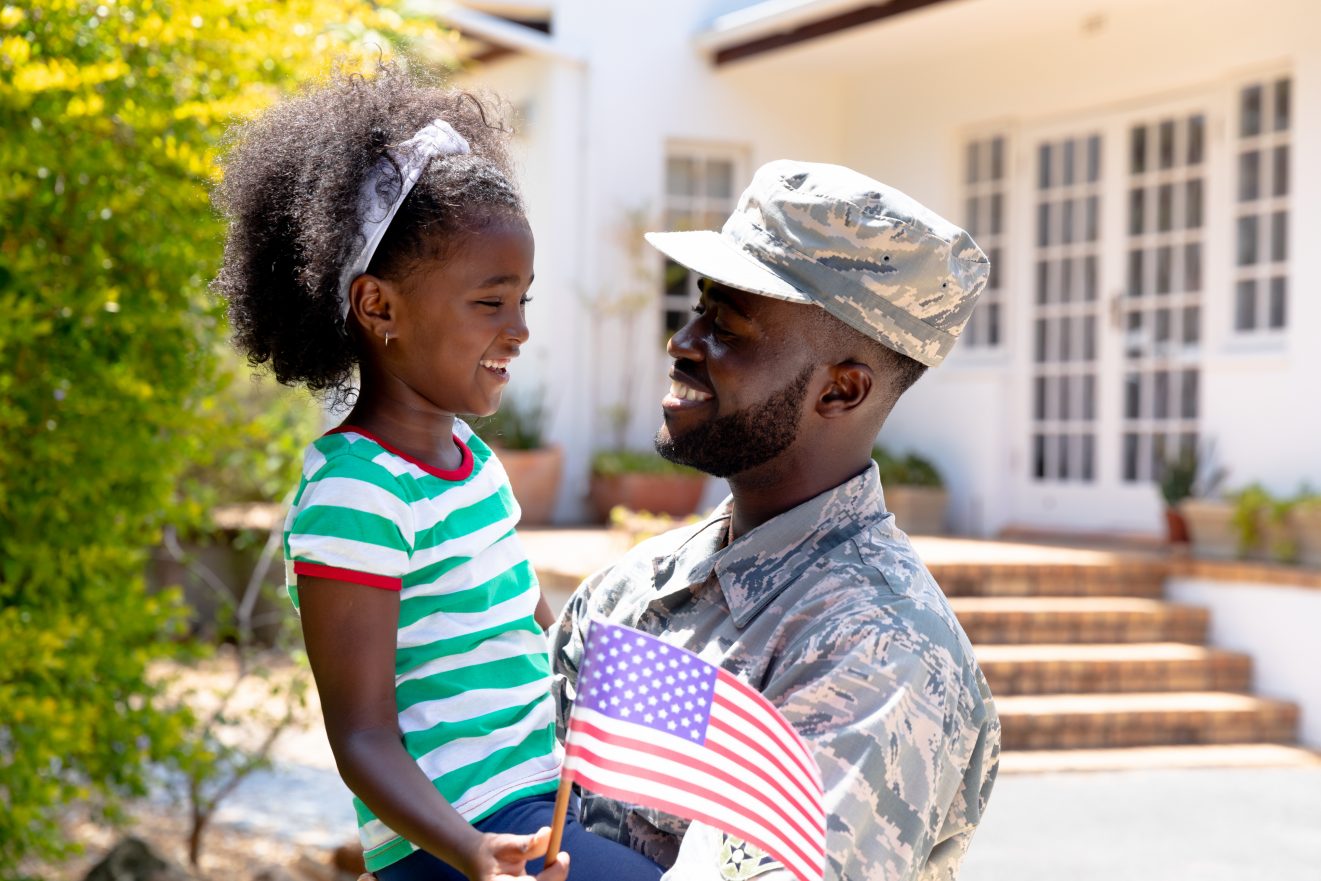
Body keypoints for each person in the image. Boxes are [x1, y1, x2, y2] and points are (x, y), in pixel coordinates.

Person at [212, 65, 663, 881]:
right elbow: (360, 737)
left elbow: (521, 628)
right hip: (456, 840)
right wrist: (470, 851)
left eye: (523, 300)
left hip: (537, 803)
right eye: (490, 302)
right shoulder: (356, 491)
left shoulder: (472, 464)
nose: (519, 329)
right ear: (377, 307)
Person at [549, 160, 1001, 881]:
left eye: (727, 324)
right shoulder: (628, 588)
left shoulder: (879, 649)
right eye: (699, 307)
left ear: (841, 389)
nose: (683, 341)